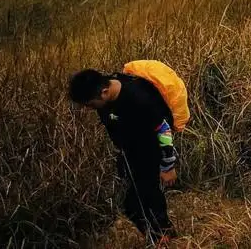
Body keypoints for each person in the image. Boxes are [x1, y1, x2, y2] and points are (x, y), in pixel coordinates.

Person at [69, 69, 178, 243]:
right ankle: (161, 235)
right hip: (130, 151)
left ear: (104, 92)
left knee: (137, 201)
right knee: (140, 199)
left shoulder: (138, 97)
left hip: (150, 149)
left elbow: (163, 128)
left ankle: (162, 236)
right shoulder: (105, 96)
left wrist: (168, 166)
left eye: (89, 104)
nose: (88, 109)